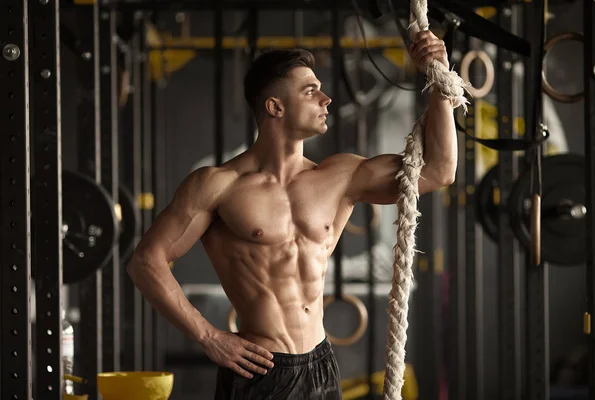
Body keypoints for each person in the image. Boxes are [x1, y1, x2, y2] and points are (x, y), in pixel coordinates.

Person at [127, 30, 456, 400]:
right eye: (310, 90)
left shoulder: (340, 177)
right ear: (274, 107)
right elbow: (146, 262)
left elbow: (439, 170)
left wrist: (438, 76)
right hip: (259, 370)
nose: (326, 98)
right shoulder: (218, 186)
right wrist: (209, 337)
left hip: (320, 365)